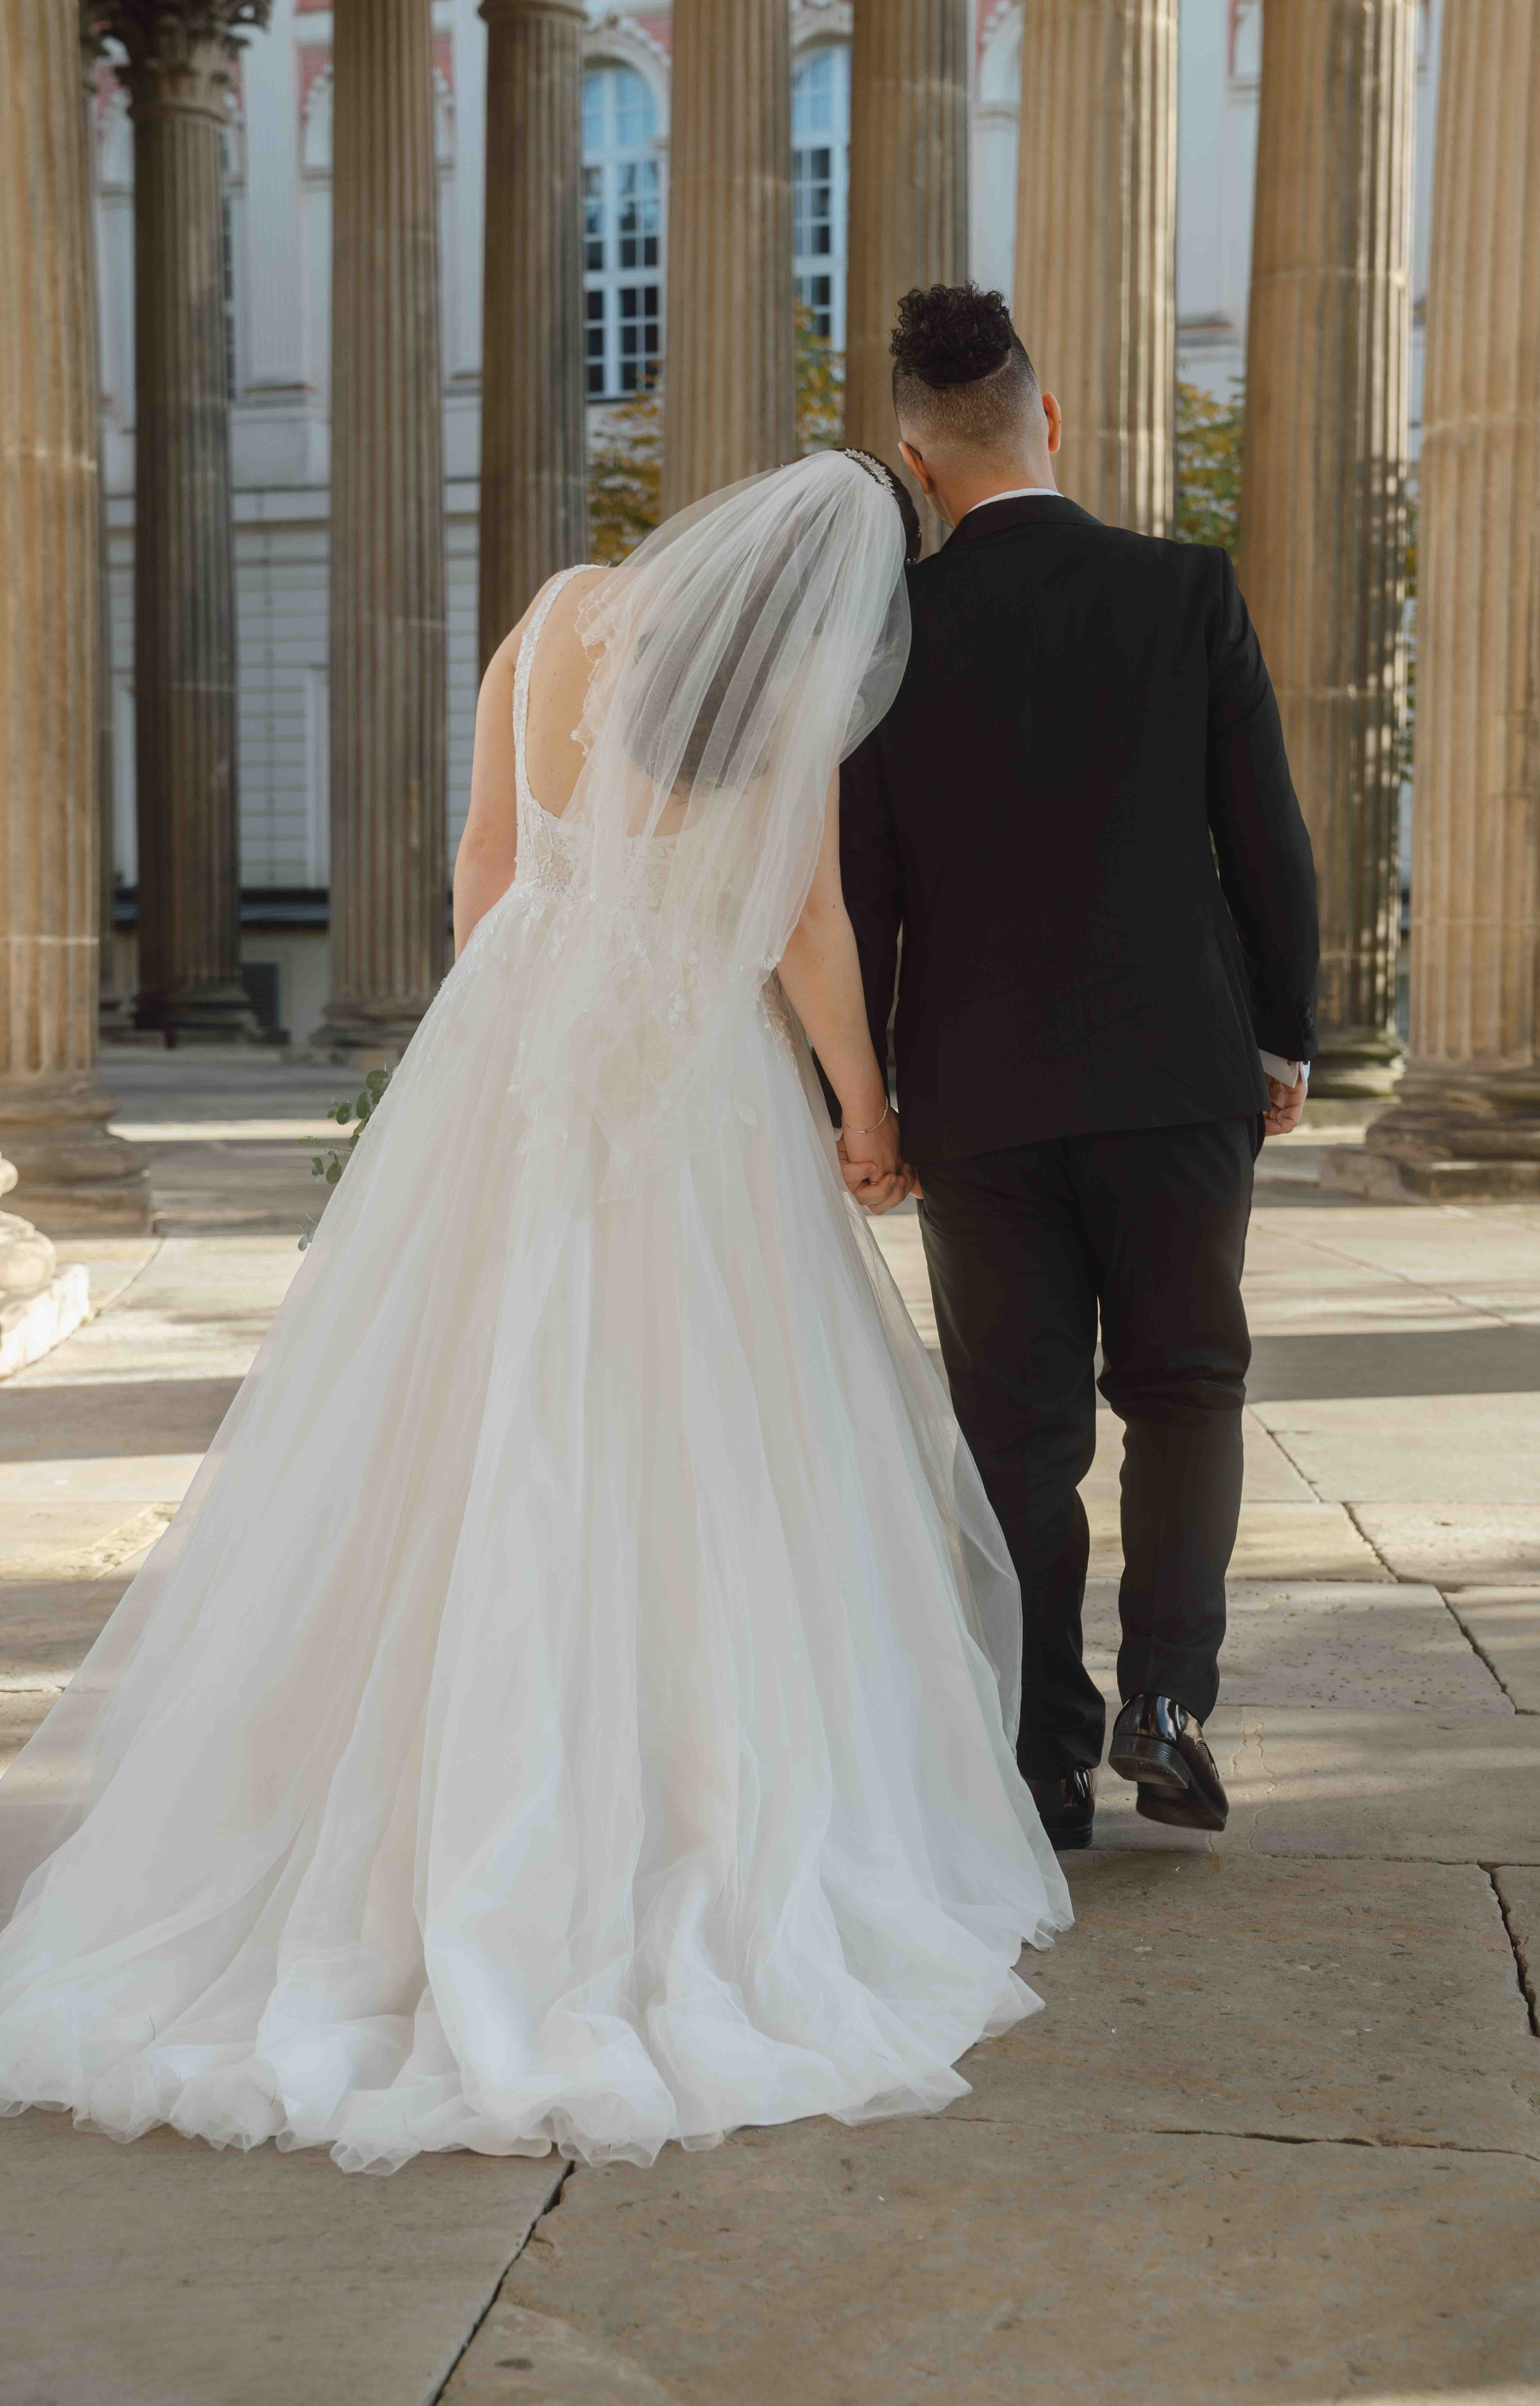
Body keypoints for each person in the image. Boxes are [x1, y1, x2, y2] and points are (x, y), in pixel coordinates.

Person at [0, 451, 1068, 2175]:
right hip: (687, 1077)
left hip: (514, 1047)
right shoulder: (781, 689)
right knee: (691, 1435)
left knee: (451, 1416)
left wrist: (507, 1050)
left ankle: (390, 1819)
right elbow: (799, 921)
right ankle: (648, 1827)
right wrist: (864, 1112)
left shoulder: (556, 615)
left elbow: (482, 868)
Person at [836, 285, 1319, 1854]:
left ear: (914, 462)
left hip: (976, 1102)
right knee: (1186, 1388)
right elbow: (1268, 846)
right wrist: (1283, 1034)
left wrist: (872, 1101)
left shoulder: (887, 642)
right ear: (1048, 421)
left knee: (1018, 1436)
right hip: (1180, 1072)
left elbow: (864, 898)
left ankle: (1043, 1765)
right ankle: (1168, 1702)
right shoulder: (1183, 592)